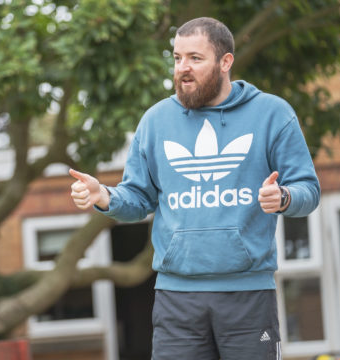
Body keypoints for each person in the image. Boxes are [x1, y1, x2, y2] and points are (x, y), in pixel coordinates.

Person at [69, 17, 320, 359]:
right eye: (176, 58)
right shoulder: (156, 121)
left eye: (195, 58)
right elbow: (139, 198)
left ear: (225, 62)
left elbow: (309, 189)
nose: (182, 68)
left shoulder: (272, 114)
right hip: (177, 302)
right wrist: (105, 196)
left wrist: (285, 197)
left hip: (247, 297)